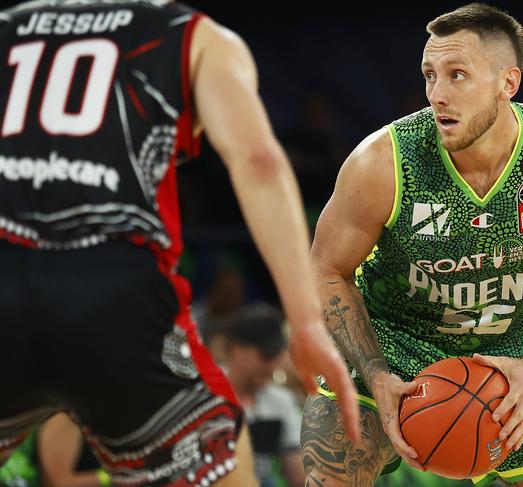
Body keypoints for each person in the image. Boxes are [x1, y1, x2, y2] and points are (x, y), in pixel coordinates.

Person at [0, 1, 360, 486]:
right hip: (118, 302)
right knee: (225, 459)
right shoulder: (192, 35)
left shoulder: (8, 27)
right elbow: (257, 160)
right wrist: (305, 320)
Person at [300, 3, 523, 486]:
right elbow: (325, 270)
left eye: (458, 75)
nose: (437, 94)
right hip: (393, 346)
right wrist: (375, 374)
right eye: (430, 75)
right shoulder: (380, 163)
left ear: (507, 83)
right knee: (330, 472)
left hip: (510, 360)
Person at [204, 304, 305, 487]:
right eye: (266, 356)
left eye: (277, 356)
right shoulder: (204, 395)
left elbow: (297, 473)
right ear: (237, 349)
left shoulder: (280, 401)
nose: (272, 366)